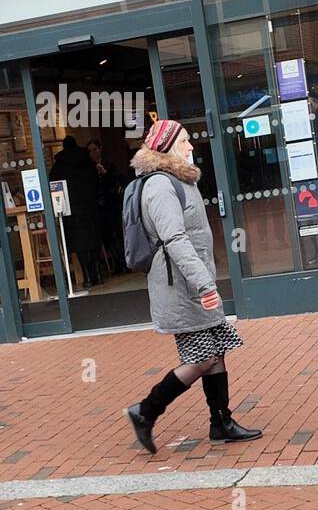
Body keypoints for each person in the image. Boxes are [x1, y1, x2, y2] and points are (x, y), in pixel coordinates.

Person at [124, 119, 261, 454]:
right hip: (180, 287)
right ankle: (146, 410)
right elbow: (174, 239)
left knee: (215, 352)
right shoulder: (159, 186)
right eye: (185, 141)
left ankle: (221, 422)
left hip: (192, 282)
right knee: (201, 359)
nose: (191, 146)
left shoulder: (178, 181)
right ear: (169, 146)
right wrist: (203, 284)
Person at [48, 135, 103, 289]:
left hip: (71, 211)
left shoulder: (58, 167)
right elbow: (95, 182)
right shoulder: (87, 162)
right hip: (90, 206)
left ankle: (87, 277)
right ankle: (98, 274)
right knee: (93, 241)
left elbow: (53, 186)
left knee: (79, 244)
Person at [88, 139, 126, 276]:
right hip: (99, 206)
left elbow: (117, 180)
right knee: (107, 237)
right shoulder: (89, 167)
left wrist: (105, 173)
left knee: (118, 233)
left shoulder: (109, 163)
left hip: (112, 203)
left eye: (95, 149)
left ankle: (124, 262)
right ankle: (117, 263)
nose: (93, 153)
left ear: (100, 149)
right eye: (90, 151)